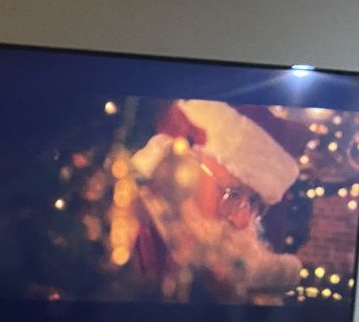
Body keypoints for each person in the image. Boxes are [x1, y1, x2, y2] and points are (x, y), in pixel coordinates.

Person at [123, 99, 308, 305]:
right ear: (187, 168)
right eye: (233, 194)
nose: (243, 220)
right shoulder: (133, 237)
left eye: (256, 204)